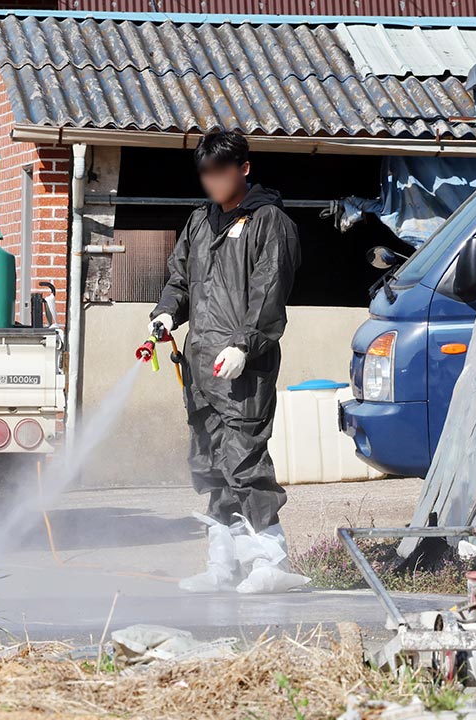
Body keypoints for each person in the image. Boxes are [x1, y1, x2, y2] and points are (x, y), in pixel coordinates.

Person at [149, 130, 306, 594]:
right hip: (200, 368)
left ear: (244, 168)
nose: (213, 182)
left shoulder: (268, 221)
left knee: (245, 460)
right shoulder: (200, 222)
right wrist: (165, 312)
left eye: (221, 172)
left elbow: (269, 291)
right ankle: (223, 560)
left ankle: (271, 560)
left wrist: (244, 344)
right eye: (206, 174)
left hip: (243, 365)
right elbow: (180, 278)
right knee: (210, 463)